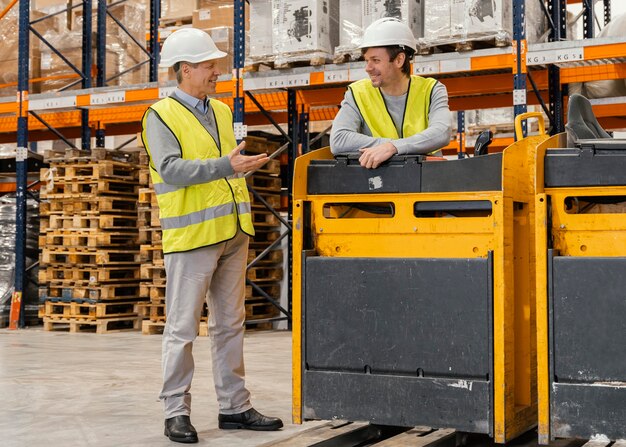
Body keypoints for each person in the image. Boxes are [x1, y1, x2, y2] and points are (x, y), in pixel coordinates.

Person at [141, 28, 283, 444]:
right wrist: (227, 166)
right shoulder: (159, 116)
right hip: (192, 237)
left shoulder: (221, 111)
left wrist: (239, 166)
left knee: (230, 324)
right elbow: (170, 169)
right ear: (186, 70)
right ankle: (175, 411)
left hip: (233, 231)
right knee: (182, 328)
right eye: (208, 65)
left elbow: (225, 165)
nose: (216, 71)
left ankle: (235, 407)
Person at [330, 18, 452, 169]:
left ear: (399, 60)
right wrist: (392, 146)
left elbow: (442, 132)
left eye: (375, 60)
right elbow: (339, 140)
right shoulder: (357, 93)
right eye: (366, 60)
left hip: (425, 182)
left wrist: (393, 148)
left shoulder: (432, 89)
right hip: (380, 183)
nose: (368, 68)